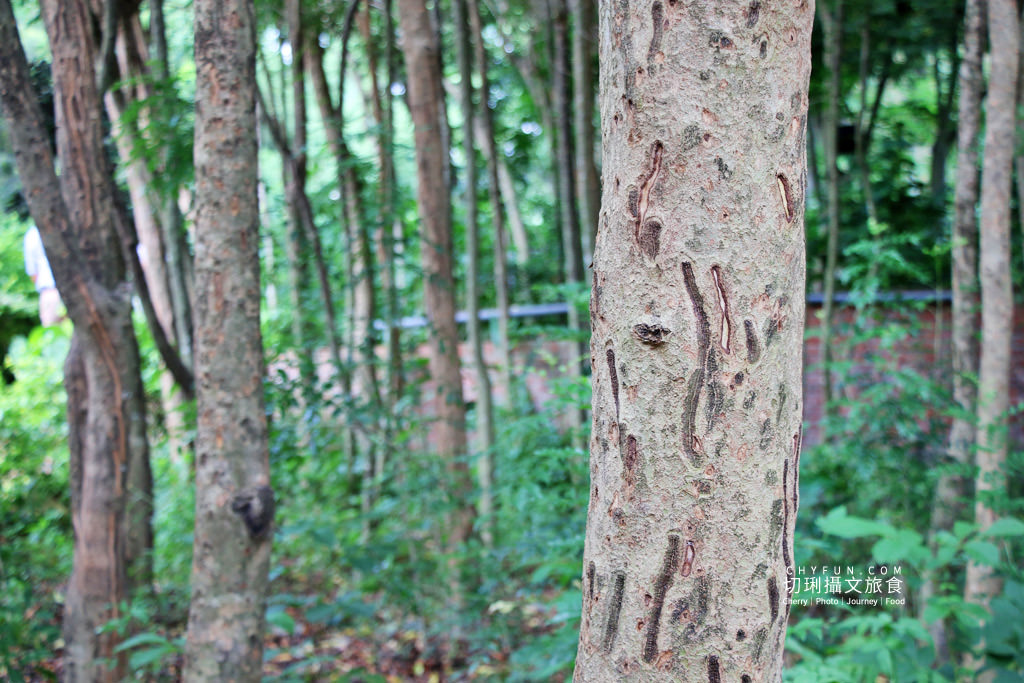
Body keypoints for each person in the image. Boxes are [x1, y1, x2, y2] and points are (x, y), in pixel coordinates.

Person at [23, 225, 63, 326]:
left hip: (49, 290)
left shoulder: (32, 235)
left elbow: (32, 272)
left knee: (52, 334)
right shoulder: (62, 227)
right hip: (73, 288)